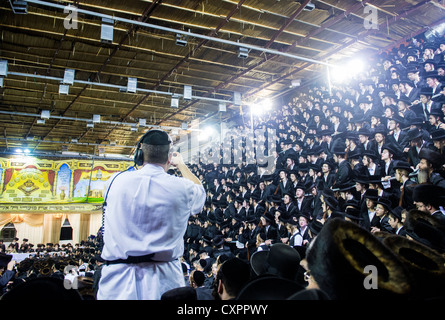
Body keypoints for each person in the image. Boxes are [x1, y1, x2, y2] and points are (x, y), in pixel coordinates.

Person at [97, 130, 206, 300]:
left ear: (139, 155)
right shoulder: (183, 188)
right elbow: (200, 191)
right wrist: (181, 165)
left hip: (117, 283)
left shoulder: (114, 181)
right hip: (165, 282)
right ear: (169, 158)